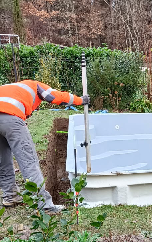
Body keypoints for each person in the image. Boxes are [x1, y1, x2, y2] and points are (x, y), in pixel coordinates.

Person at [0, 80, 89, 213]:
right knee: (29, 162)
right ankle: (45, 206)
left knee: (3, 161)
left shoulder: (11, 88)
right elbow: (55, 97)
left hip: (8, 117)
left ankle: (10, 196)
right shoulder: (35, 85)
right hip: (11, 118)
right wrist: (80, 100)